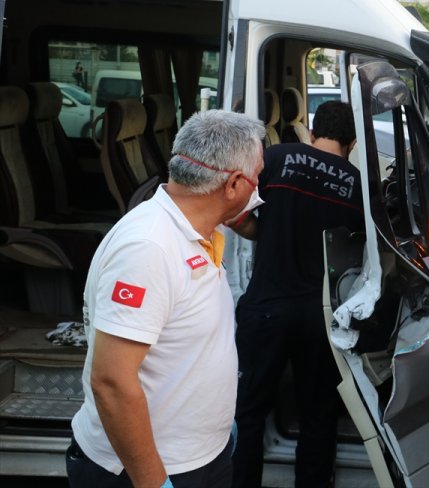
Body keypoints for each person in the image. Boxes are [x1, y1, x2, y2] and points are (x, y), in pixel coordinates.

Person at [67, 110, 266, 488]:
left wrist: (216, 430)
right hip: (147, 471)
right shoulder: (149, 248)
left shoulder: (197, 231)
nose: (260, 189)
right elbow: (111, 381)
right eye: (258, 177)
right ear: (235, 184)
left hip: (200, 455)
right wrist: (154, 483)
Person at [231, 100, 364, 488]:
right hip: (319, 318)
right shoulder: (356, 185)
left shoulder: (276, 157)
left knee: (248, 412)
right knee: (317, 415)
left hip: (266, 309)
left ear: (312, 130)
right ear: (352, 141)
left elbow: (232, 207)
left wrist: (261, 232)